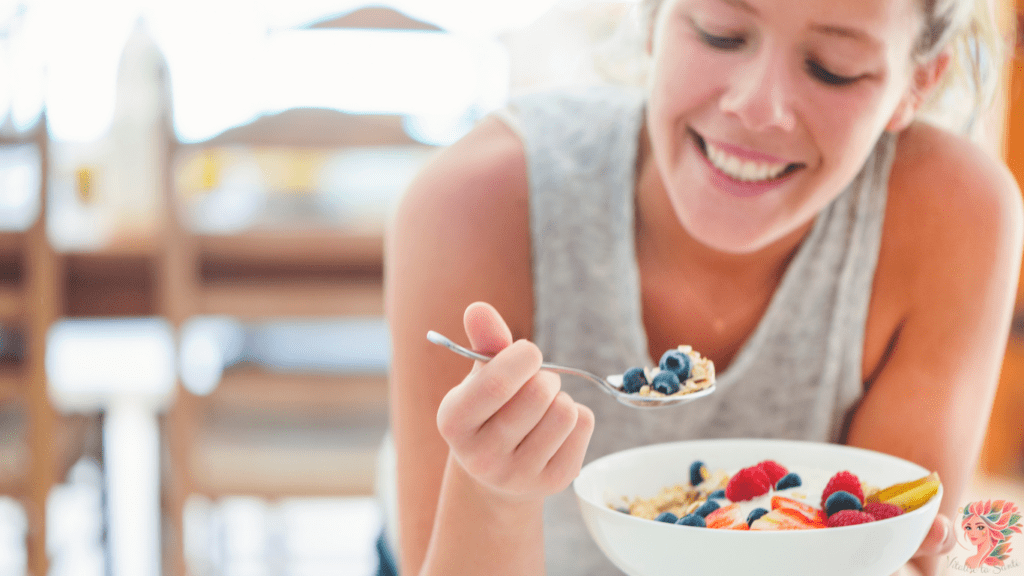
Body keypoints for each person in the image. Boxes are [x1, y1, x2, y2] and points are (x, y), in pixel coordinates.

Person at [380, 0, 1024, 574]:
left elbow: (899, 545)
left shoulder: (956, 213)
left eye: (833, 67)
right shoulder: (478, 200)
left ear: (917, 84)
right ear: (653, 19)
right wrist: (492, 492)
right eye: (721, 34)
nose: (757, 106)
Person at [960, 500, 1023, 569]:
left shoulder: (997, 562)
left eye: (980, 527)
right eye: (968, 528)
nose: (972, 533)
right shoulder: (970, 561)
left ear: (991, 529)